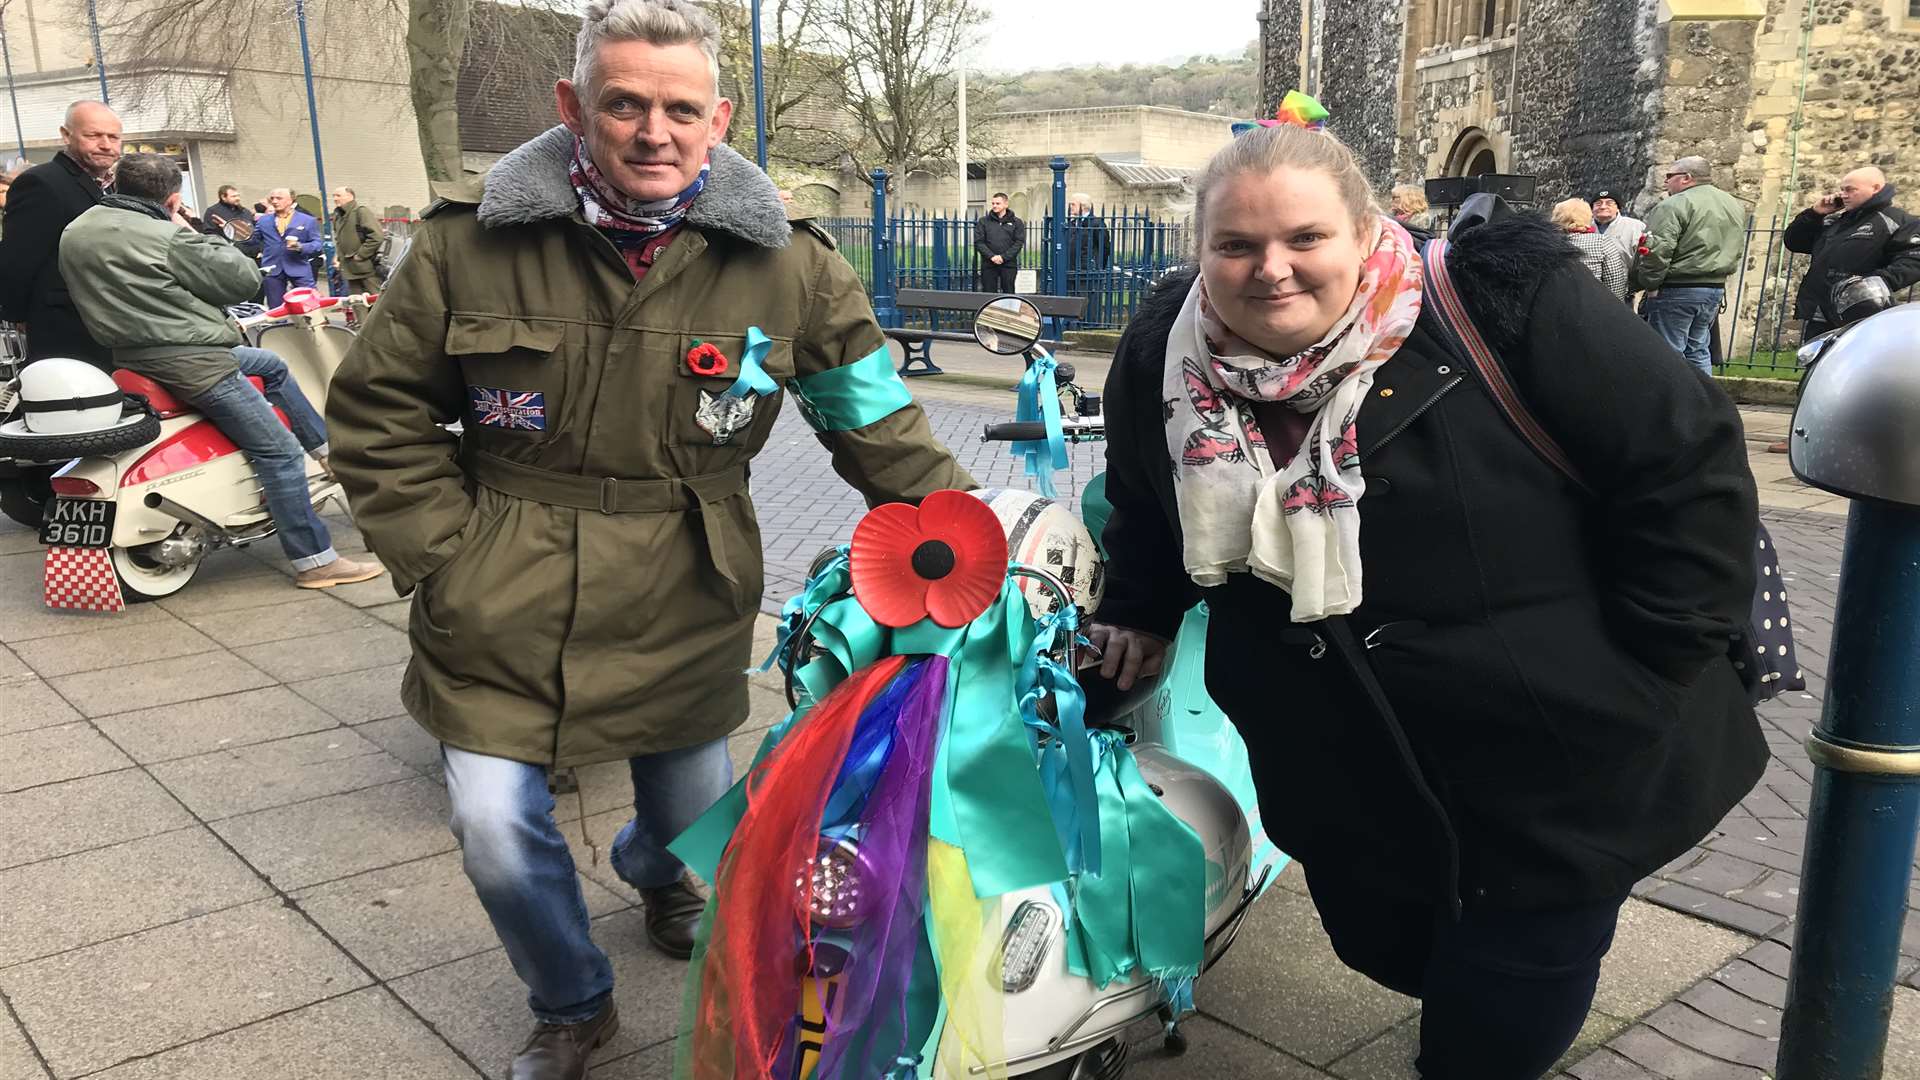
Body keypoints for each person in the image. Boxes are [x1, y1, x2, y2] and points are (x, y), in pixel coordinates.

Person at [324, 2, 972, 1076]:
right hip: (502, 584)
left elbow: (874, 418)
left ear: (716, 118)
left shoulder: (790, 266)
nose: (652, 132)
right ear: (574, 107)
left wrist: (968, 537)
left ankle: (655, 872)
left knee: (687, 818)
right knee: (491, 825)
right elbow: (377, 413)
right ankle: (573, 1003)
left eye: (679, 108)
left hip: (685, 577)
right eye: (623, 103)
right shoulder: (463, 248)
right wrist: (446, 554)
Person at [1091, 119, 1764, 1079]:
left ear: (1364, 233)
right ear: (1202, 250)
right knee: (1389, 944)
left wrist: (1655, 666)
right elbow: (1144, 502)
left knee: (1504, 994)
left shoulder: (1499, 301)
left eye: (1305, 238)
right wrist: (1140, 608)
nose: (1270, 269)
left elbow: (1685, 464)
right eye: (1236, 244)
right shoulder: (1165, 354)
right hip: (1335, 750)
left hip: (1555, 741)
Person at [58, 153, 383, 589]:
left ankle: (327, 455)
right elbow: (241, 279)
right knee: (280, 454)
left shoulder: (76, 230)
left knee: (271, 364)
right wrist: (182, 225)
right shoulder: (166, 235)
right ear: (173, 199)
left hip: (134, 356)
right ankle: (316, 561)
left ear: (116, 185)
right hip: (195, 360)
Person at [1766, 166, 1920, 451]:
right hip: (1820, 308)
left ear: (1875, 188)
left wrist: (1878, 282)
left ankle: (1859, 436)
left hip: (1861, 312)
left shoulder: (1898, 221)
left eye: (1851, 189)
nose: (1843, 194)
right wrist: (1814, 213)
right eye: (1842, 188)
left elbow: (1914, 259)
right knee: (1814, 371)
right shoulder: (1835, 221)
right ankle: (1802, 434)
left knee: (1860, 376)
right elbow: (1795, 241)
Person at [0, 100, 121, 367]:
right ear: (66, 135)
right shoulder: (41, 182)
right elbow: (18, 259)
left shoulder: (113, 186)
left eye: (113, 137)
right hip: (66, 327)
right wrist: (19, 315)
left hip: (113, 324)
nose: (105, 144)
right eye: (93, 135)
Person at [1631, 156, 1746, 377]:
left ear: (1686, 178)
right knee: (1698, 349)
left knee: (1667, 351)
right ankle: (1706, 403)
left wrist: (1648, 283)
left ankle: (1671, 403)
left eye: (1669, 176)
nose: (1666, 182)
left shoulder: (1674, 205)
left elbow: (1657, 250)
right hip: (1714, 288)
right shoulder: (1732, 204)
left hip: (1678, 286)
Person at [255, 187, 323, 305]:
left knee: (310, 305)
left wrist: (301, 247)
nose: (274, 201)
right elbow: (252, 240)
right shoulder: (263, 221)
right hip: (272, 269)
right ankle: (281, 324)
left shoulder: (307, 220)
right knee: (276, 309)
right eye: (272, 198)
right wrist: (237, 231)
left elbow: (317, 244)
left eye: (279, 198)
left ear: (290, 200)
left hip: (299, 267)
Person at [1552, 198, 1629, 300]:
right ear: (1587, 216)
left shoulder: (1546, 243)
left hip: (1553, 305)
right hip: (1592, 305)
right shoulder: (1601, 243)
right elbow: (1615, 284)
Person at [330, 186, 386, 295]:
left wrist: (361, 255)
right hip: (348, 268)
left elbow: (377, 236)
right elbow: (339, 238)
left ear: (350, 196)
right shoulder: (338, 215)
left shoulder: (361, 212)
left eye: (338, 195)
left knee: (377, 299)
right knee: (356, 302)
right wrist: (337, 256)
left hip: (365, 266)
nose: (335, 199)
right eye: (334, 196)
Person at [1064, 191, 1112, 303]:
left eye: (1073, 204)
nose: (1070, 207)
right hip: (1071, 271)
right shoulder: (1071, 223)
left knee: (1088, 306)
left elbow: (1105, 247)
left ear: (1083, 206)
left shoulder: (1096, 223)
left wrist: (1098, 266)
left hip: (1088, 272)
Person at [975, 190, 1023, 293]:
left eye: (998, 203)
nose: (994, 206)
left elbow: (1018, 242)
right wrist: (992, 256)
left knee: (1008, 293)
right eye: (993, 203)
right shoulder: (983, 221)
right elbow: (979, 242)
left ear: (1006, 204)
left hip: (1008, 264)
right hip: (989, 264)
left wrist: (1003, 257)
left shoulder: (1017, 222)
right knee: (988, 294)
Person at [1590, 189, 1645, 260]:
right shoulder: (1583, 226)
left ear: (1618, 208)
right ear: (1592, 208)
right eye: (1598, 204)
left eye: (1609, 203)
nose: (1603, 207)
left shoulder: (1635, 226)